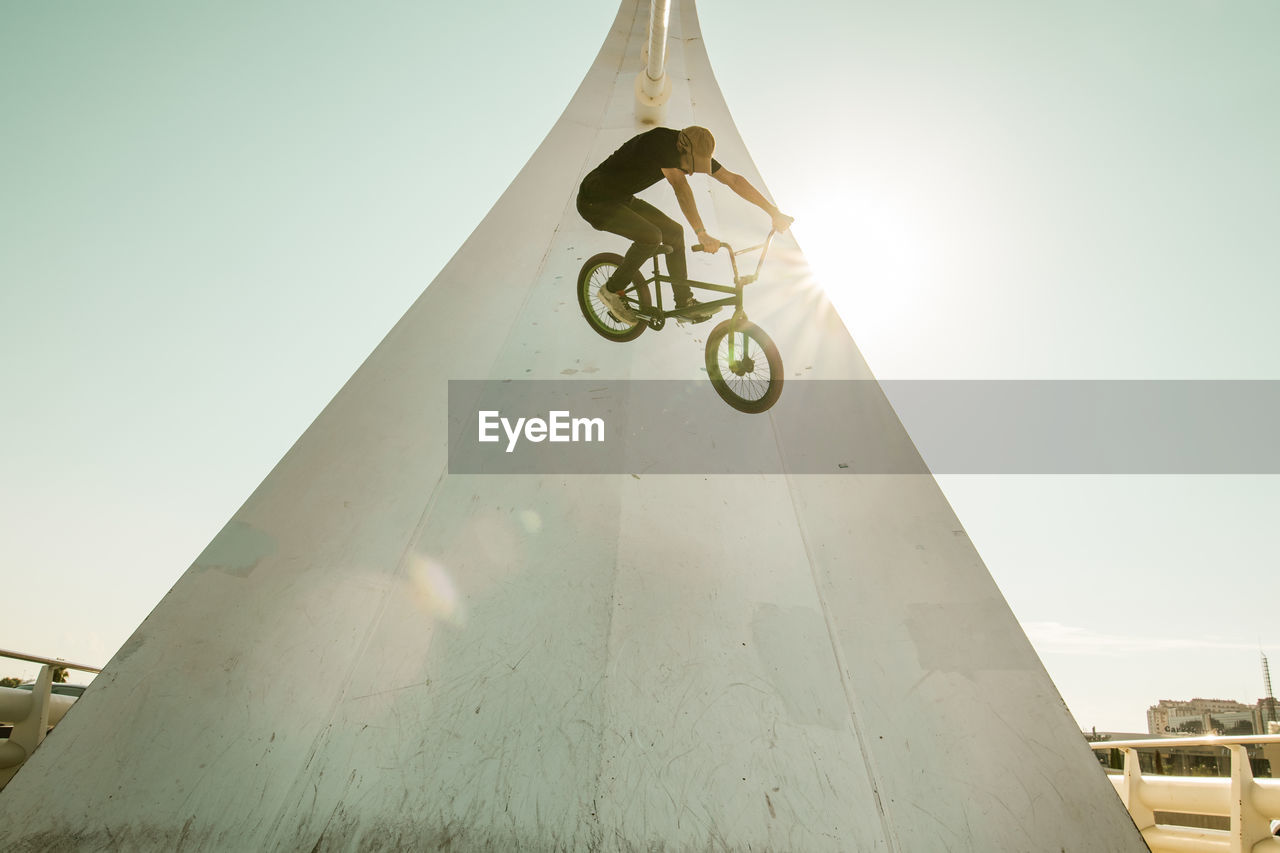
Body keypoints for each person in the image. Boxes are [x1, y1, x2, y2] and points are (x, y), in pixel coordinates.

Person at [577, 125, 794, 324]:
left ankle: (683, 303)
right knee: (651, 236)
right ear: (681, 149)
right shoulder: (660, 142)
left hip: (621, 197)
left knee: (673, 232)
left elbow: (733, 180)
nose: (690, 172)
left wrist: (773, 212)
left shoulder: (693, 148)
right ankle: (611, 290)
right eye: (689, 165)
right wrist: (701, 233)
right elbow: (680, 187)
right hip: (594, 199)